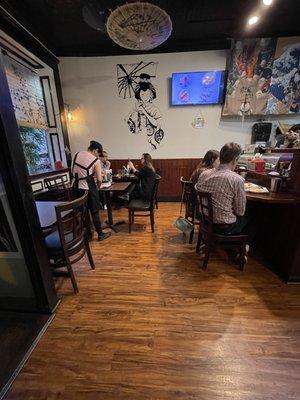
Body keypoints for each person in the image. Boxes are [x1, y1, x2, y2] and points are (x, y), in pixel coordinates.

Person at [195, 142, 247, 236]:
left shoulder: (204, 174)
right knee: (256, 217)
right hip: (224, 227)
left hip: (205, 222)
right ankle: (239, 248)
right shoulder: (237, 179)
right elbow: (240, 211)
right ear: (235, 160)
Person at [71, 140, 111, 241]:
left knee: (82, 212)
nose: (98, 156)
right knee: (94, 212)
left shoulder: (76, 154)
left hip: (75, 188)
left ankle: (87, 234)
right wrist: (98, 187)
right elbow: (99, 179)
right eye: (98, 153)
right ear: (96, 150)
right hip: (88, 189)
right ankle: (100, 234)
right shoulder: (95, 160)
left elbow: (73, 171)